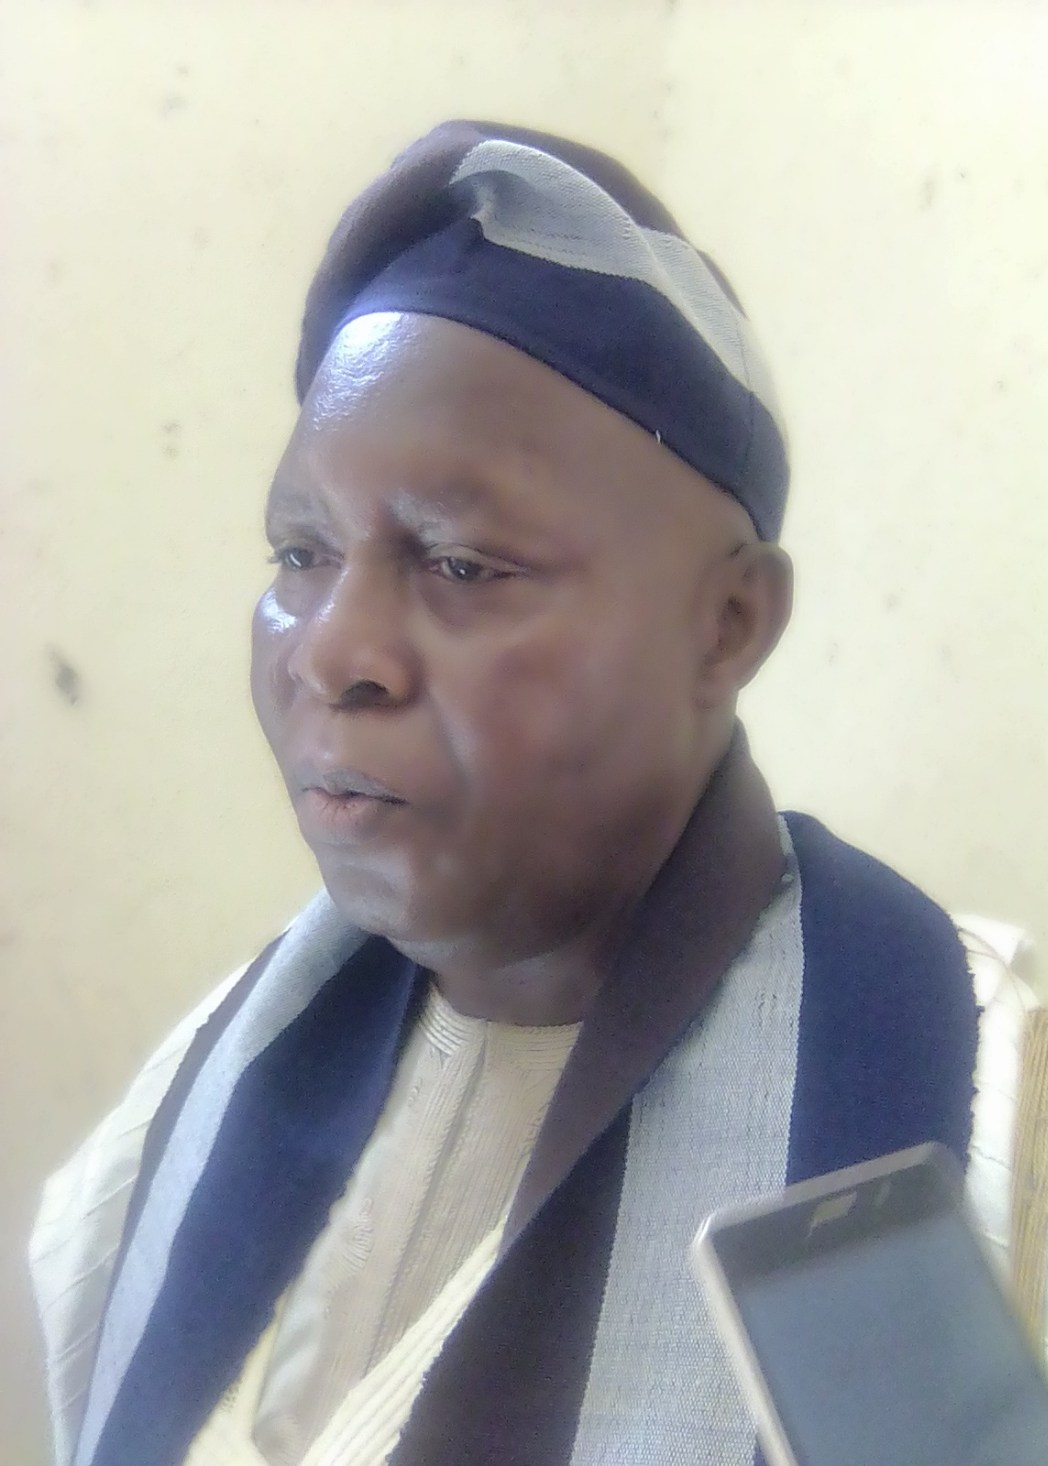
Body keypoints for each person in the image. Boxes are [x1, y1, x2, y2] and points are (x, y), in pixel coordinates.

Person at [30, 121, 978, 1466]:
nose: (333, 652)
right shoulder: (199, 1098)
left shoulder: (984, 1132)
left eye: (464, 564)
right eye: (299, 552)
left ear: (726, 626)